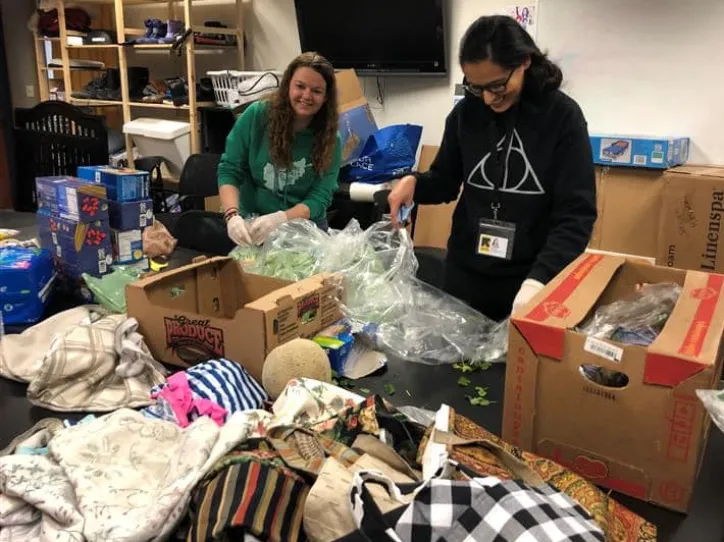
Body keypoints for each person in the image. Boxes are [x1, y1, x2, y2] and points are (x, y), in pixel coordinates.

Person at [388, 16, 596, 321]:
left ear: (525, 61)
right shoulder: (465, 115)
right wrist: (415, 183)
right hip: (465, 277)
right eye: (476, 87)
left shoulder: (562, 117)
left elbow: (576, 215)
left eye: (498, 85)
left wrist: (538, 282)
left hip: (533, 280)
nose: (487, 98)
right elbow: (446, 181)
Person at [218, 52, 342, 246]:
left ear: (326, 97)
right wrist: (232, 216)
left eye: (316, 91)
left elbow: (320, 198)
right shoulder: (257, 116)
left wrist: (281, 218)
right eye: (300, 86)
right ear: (288, 86)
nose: (306, 96)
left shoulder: (330, 139)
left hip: (305, 233)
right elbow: (229, 169)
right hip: (252, 225)